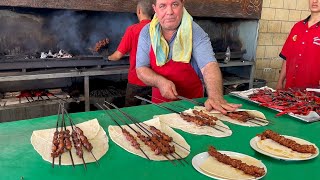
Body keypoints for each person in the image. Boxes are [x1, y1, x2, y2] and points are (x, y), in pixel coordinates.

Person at [135, 0, 241, 113]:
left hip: (192, 106)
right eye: (162, 6)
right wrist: (159, 82)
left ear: (182, 5)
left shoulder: (195, 32)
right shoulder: (147, 32)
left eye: (175, 4)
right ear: (155, 9)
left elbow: (209, 65)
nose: (169, 11)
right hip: (159, 106)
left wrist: (215, 97)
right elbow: (141, 69)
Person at [96, 0, 154, 107]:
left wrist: (107, 57)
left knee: (131, 112)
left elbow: (118, 55)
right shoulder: (159, 29)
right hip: (156, 81)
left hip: (136, 80)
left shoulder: (132, 29)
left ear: (139, 11)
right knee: (153, 111)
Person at [276, 0, 320, 90]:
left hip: (312, 93)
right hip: (289, 89)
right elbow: (286, 57)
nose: (315, 1)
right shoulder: (297, 27)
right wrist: (280, 82)